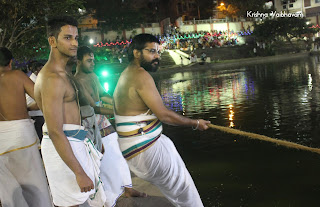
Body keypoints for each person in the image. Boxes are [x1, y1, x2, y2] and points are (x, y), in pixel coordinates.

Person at [113, 33, 210, 207]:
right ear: (136, 53)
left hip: (136, 147)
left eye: (158, 51)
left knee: (177, 183)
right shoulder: (140, 75)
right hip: (144, 148)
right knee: (186, 191)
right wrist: (195, 123)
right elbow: (164, 115)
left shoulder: (127, 74)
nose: (157, 56)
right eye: (151, 51)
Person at [34, 16, 105, 207]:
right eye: (67, 38)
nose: (74, 43)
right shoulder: (52, 78)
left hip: (74, 143)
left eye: (76, 38)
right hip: (63, 148)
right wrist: (79, 172)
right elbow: (55, 130)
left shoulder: (63, 73)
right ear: (52, 41)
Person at [74, 46, 146, 207]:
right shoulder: (77, 81)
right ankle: (110, 199)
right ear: (78, 61)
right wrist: (120, 111)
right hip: (91, 124)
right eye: (89, 60)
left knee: (119, 156)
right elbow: (95, 107)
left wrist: (121, 103)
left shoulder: (93, 76)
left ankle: (128, 187)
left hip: (104, 121)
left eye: (93, 60)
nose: (93, 63)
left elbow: (103, 95)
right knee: (105, 163)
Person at [0, 47, 52, 207]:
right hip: (21, 137)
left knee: (9, 189)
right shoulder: (16, 75)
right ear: (10, 62)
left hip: (1, 139)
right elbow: (42, 98)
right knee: (35, 184)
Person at [26, 61, 45, 141]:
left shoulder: (33, 80)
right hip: (37, 116)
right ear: (39, 69)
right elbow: (39, 102)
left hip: (37, 115)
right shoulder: (34, 82)